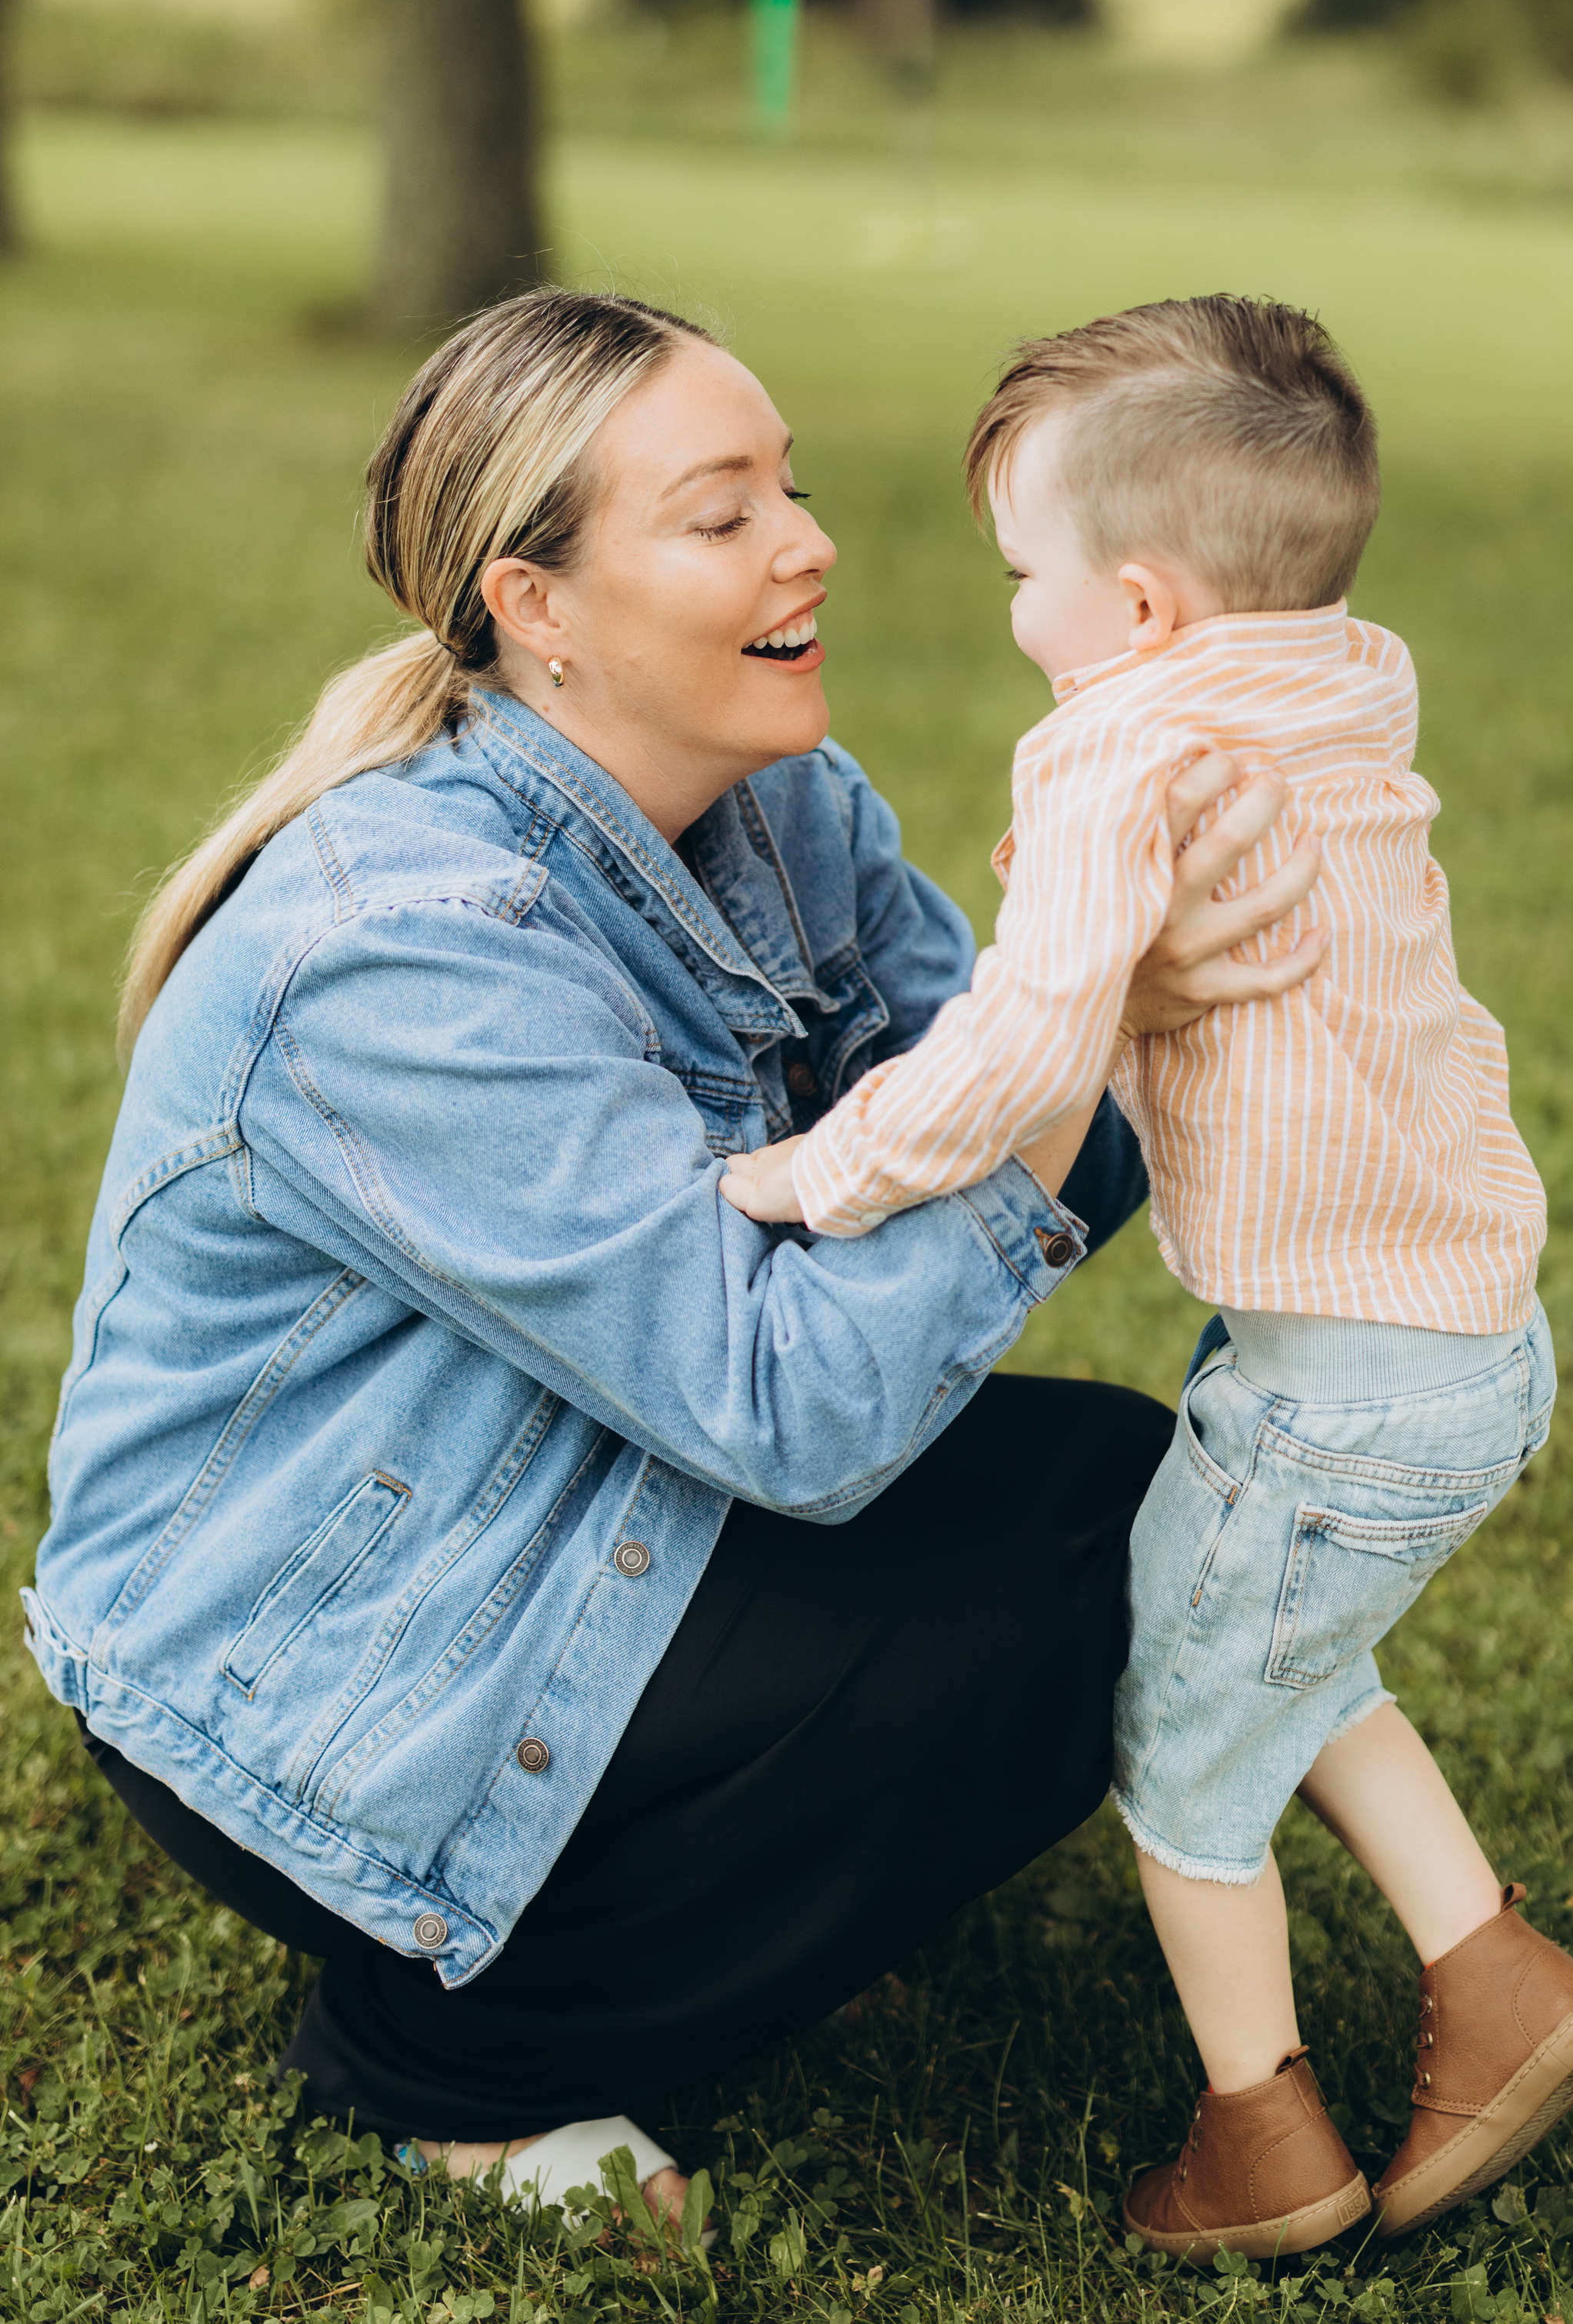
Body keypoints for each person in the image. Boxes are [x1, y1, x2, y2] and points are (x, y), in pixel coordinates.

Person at [25, 287, 1332, 2225]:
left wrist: (1166, 963)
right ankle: (451, 2060)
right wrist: (1078, 1024)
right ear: (533, 606)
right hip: (329, 1665)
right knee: (1037, 1612)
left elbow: (1012, 1140)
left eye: (784, 485)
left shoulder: (781, 798)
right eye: (721, 513)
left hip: (570, 1488)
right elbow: (792, 1402)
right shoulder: (400, 950)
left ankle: (714, 1888)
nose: (805, 540)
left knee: (1134, 1515)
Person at [722, 295, 1573, 2260]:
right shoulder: (1335, 685)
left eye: (1023, 577)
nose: (1014, 617)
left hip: (1338, 1390)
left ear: (1137, 608)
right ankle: (1494, 1974)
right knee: (1291, 1645)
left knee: (1183, 1747)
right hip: (1465, 1339)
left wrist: (808, 1171)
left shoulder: (1117, 752)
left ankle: (1261, 2140)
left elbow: (1020, 1051)